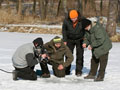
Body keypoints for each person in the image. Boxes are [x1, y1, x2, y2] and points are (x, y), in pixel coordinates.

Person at [62, 9, 85, 76]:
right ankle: (66, 69)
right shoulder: (66, 20)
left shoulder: (82, 20)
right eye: (72, 18)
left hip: (80, 39)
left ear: (77, 16)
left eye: (75, 18)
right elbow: (64, 30)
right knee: (68, 55)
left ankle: (79, 71)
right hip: (69, 39)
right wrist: (65, 40)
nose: (73, 20)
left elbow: (86, 30)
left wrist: (85, 39)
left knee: (80, 55)